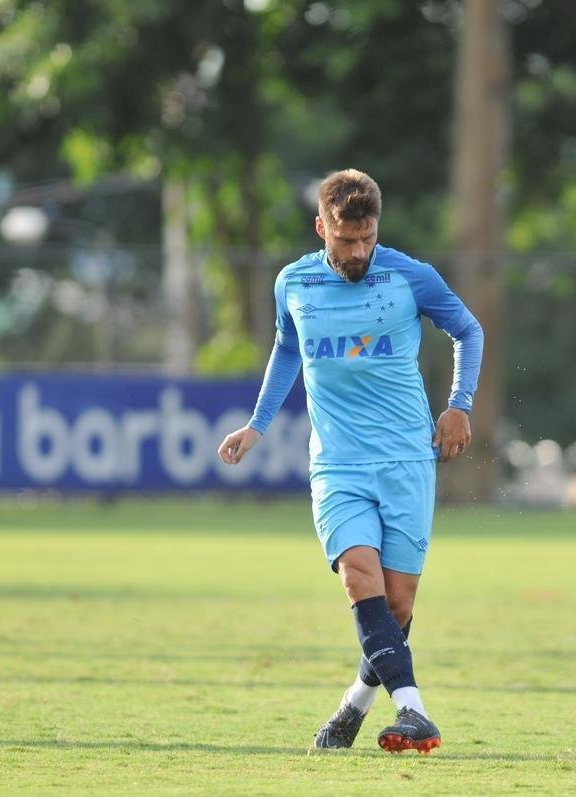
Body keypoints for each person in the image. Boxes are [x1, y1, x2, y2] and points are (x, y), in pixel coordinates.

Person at [217, 169, 483, 754]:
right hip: (337, 466)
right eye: (346, 240)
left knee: (397, 604)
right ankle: (415, 712)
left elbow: (468, 330)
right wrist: (258, 425)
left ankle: (351, 709)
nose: (359, 251)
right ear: (321, 228)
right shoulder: (293, 283)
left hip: (409, 459)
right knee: (358, 576)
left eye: (367, 239)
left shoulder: (410, 276)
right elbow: (287, 349)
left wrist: (459, 405)